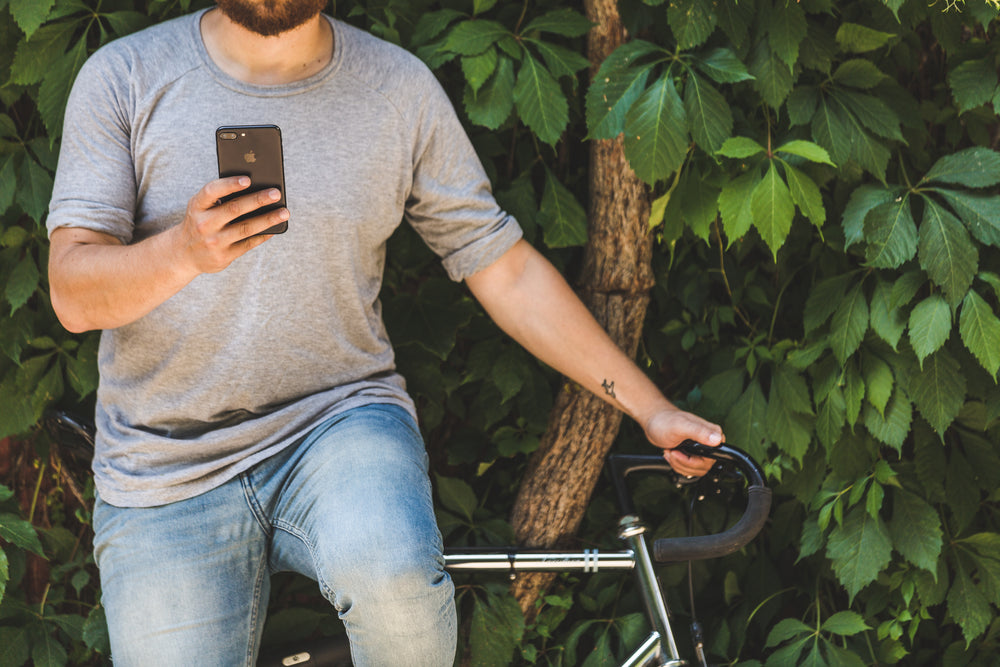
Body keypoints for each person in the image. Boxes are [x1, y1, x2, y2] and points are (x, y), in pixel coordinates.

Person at [46, 1, 724, 665]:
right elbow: (72, 293)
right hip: (165, 460)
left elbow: (505, 268)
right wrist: (183, 252)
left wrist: (651, 407)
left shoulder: (395, 86)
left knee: (395, 578)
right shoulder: (126, 75)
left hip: (336, 423)